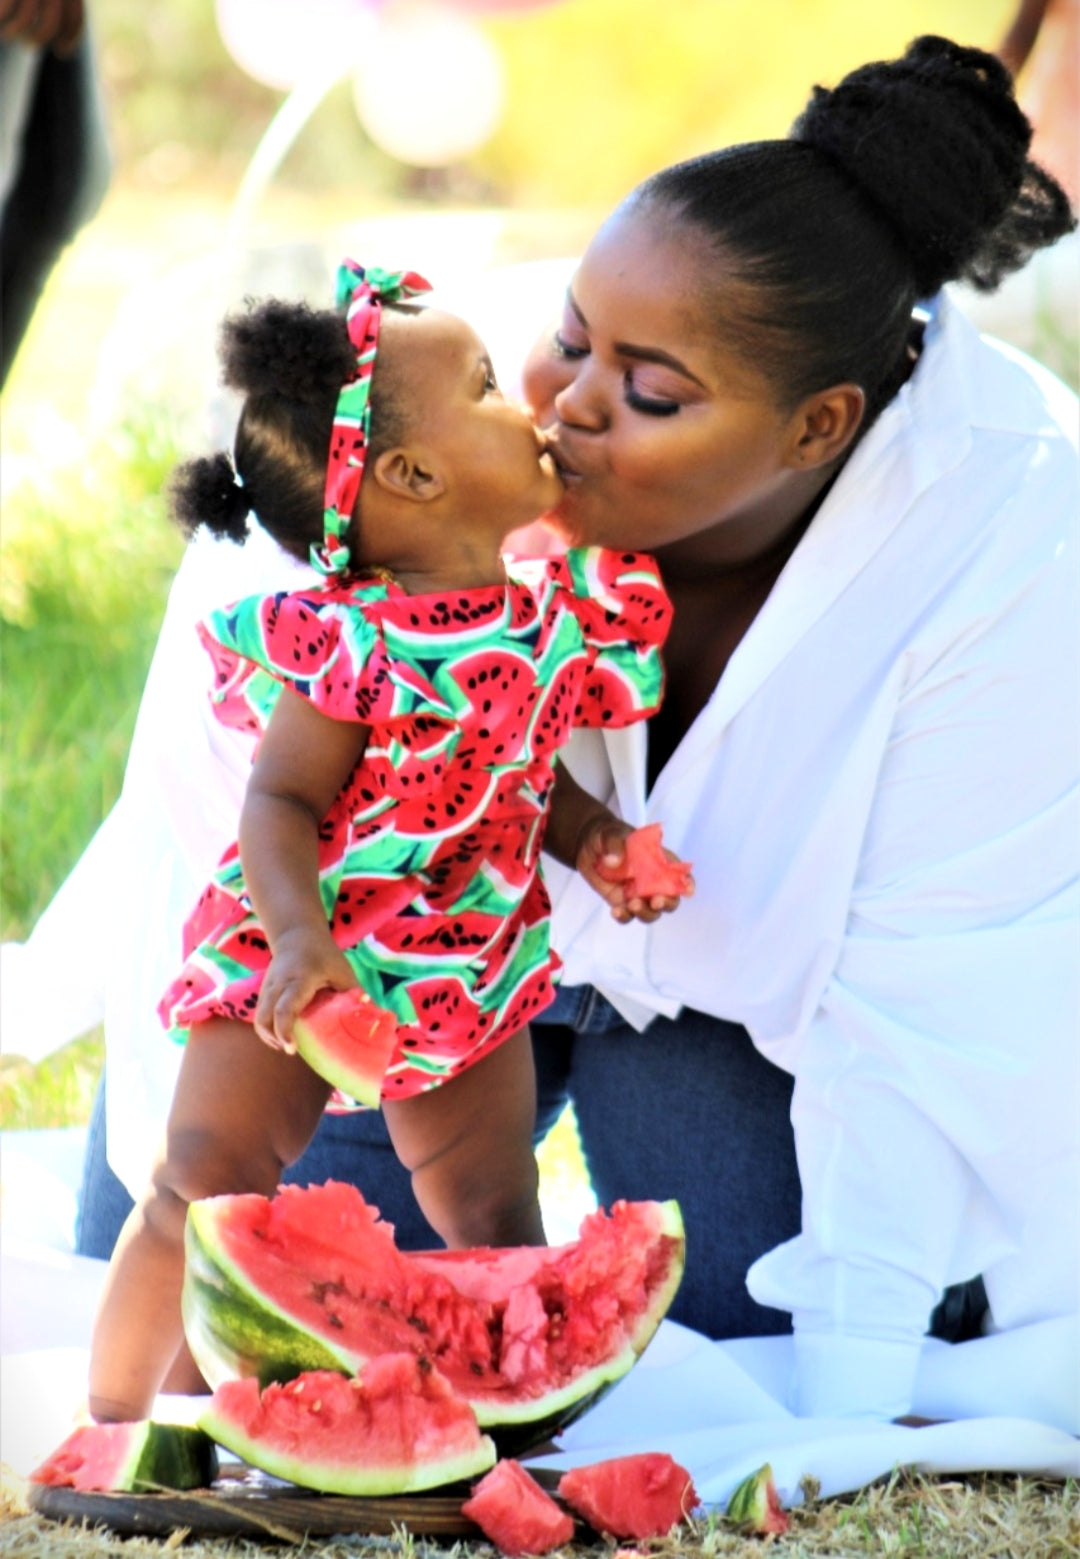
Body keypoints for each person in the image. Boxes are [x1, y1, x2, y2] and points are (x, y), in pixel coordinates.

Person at [7, 34, 1076, 1424]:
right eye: (570, 333)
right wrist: (291, 991)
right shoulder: (393, 441)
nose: (563, 403)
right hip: (356, 958)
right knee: (205, 1251)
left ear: (820, 426)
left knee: (732, 1297)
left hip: (749, 1009)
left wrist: (851, 1403)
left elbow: (936, 986)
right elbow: (234, 814)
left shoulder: (1013, 537)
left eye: (650, 392)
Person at [85, 259, 686, 1423]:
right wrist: (300, 941)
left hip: (468, 966)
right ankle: (110, 1432)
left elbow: (523, 780)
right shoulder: (352, 642)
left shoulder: (544, 621)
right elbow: (278, 802)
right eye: (486, 385)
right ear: (413, 473)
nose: (529, 401)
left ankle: (513, 1424)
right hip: (308, 960)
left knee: (497, 1215)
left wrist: (598, 839)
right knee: (198, 1186)